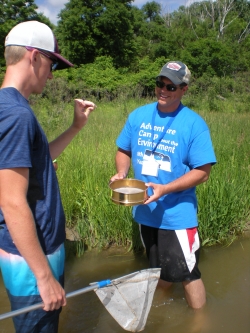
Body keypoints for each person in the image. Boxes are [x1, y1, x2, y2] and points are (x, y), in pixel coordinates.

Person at [0, 21, 96, 332]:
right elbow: (11, 201)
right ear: (34, 57)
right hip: (31, 264)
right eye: (51, 63)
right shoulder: (16, 114)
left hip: (31, 255)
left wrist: (75, 127)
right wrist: (44, 277)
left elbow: (29, 164)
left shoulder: (10, 106)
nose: (52, 74)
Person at [110, 61, 216, 309]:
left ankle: (200, 324)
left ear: (184, 89)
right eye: (160, 83)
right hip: (145, 212)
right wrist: (121, 172)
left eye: (171, 86)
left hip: (177, 215)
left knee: (188, 273)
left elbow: (203, 172)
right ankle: (157, 309)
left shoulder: (193, 124)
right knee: (159, 270)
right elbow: (123, 149)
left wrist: (165, 189)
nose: (163, 90)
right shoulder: (138, 116)